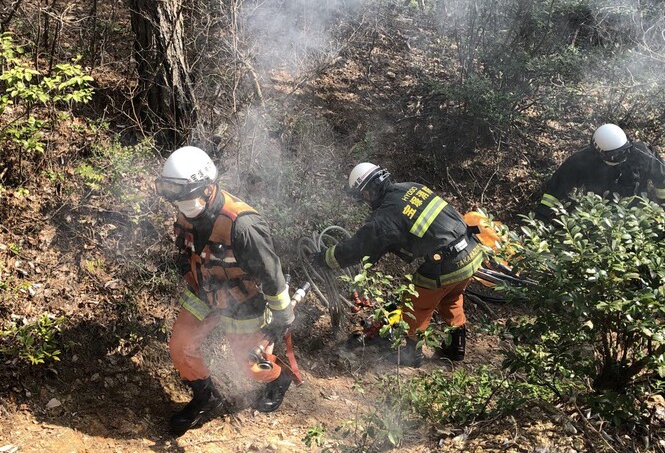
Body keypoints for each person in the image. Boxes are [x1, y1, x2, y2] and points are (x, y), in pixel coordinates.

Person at [155, 146, 295, 436]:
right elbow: (184, 250)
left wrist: (282, 314)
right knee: (181, 347)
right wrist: (187, 271)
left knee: (249, 365)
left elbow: (271, 274)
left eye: (186, 196)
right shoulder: (186, 210)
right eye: (176, 197)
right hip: (203, 291)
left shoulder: (242, 225)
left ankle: (278, 378)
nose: (181, 204)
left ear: (208, 188)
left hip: (243, 299)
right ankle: (207, 399)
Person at [312, 163, 484, 367]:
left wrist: (326, 259)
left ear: (369, 191)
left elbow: (358, 248)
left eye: (364, 196)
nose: (365, 201)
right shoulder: (410, 187)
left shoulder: (383, 218)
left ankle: (412, 355)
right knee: (452, 297)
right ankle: (456, 348)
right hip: (472, 252)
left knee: (415, 302)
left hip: (447, 263)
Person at [536, 123, 665, 221]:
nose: (622, 158)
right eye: (615, 156)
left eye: (624, 152)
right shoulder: (582, 161)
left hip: (637, 215)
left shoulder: (643, 154)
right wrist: (542, 216)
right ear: (599, 152)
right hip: (599, 217)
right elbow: (557, 187)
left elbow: (662, 179)